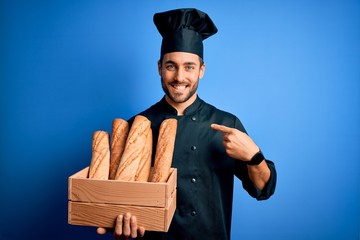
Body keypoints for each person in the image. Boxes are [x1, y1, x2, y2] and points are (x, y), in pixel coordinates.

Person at [97, 8, 277, 240]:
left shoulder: (226, 124)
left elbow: (263, 188)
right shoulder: (137, 127)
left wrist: (254, 156)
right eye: (171, 66)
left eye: (189, 66)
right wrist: (119, 225)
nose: (179, 77)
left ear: (201, 70)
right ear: (159, 67)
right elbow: (119, 202)